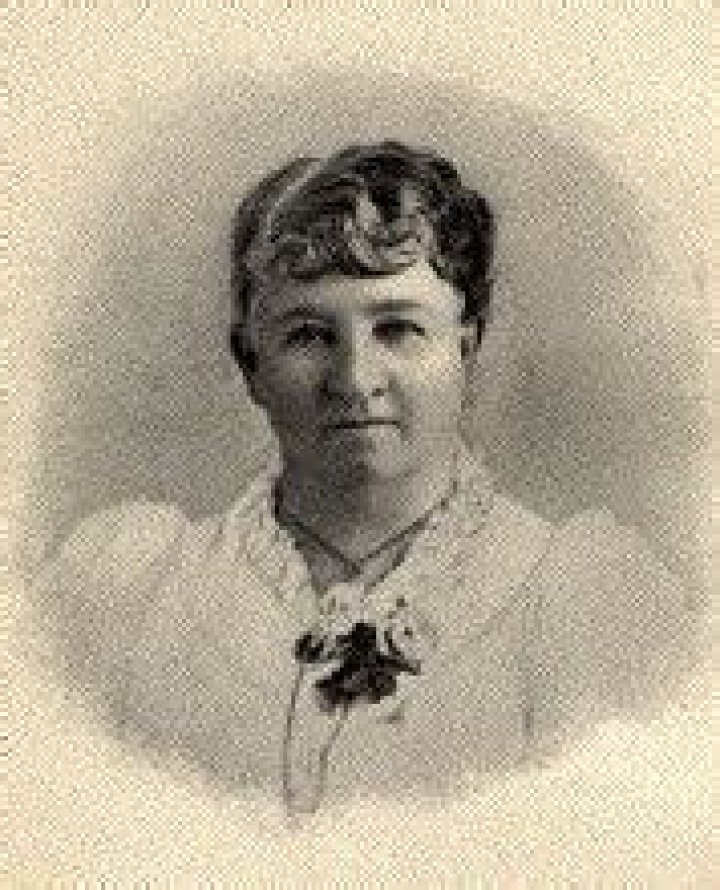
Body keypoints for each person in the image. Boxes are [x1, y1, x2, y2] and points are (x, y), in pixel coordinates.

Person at [32, 141, 700, 821]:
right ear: (250, 363)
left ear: (465, 349)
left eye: (398, 329)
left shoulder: (576, 603)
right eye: (308, 335)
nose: (355, 380)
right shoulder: (132, 593)